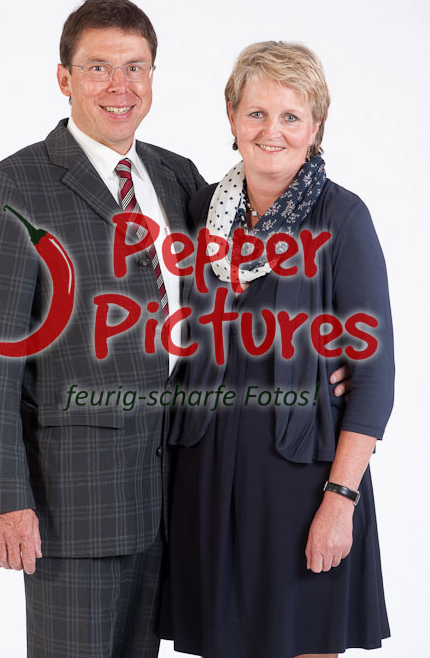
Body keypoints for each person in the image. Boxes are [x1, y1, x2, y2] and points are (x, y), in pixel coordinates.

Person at [0, 0, 350, 657]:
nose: (120, 86)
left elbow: (239, 296)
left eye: (135, 68)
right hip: (73, 505)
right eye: (99, 68)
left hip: (174, 498)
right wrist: (3, 498)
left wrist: (324, 358)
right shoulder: (16, 186)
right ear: (64, 78)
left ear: (152, 76)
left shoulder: (178, 179)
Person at [159, 41, 394, 658]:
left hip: (305, 482)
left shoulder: (343, 219)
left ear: (316, 127)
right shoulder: (200, 211)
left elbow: (374, 380)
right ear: (232, 118)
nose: (272, 131)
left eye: (291, 116)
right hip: (208, 479)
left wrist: (340, 501)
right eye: (257, 113)